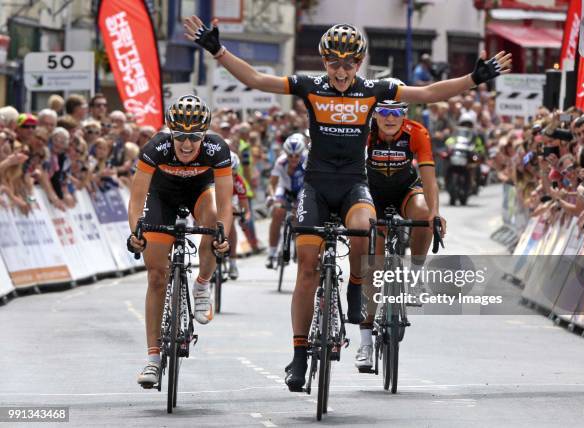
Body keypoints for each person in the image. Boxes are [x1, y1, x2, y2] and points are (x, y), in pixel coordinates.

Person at [183, 17, 511, 391]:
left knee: (364, 229)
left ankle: (356, 286)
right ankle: (299, 355)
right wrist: (217, 51)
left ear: (360, 62)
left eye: (348, 63)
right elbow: (257, 80)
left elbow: (429, 93)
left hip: (355, 185)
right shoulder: (310, 85)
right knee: (307, 269)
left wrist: (473, 79)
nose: (340, 71)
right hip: (316, 188)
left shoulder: (374, 89)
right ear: (324, 61)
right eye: (334, 63)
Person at [126, 95, 233, 388]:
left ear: (205, 134)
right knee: (156, 275)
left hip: (199, 193)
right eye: (181, 137)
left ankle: (202, 284)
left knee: (213, 223)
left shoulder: (217, 149)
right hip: (162, 197)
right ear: (170, 132)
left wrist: (223, 236)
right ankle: (153, 358)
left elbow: (225, 203)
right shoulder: (154, 148)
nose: (187, 145)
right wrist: (136, 232)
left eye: (195, 138)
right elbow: (136, 201)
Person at [355, 100, 446, 370]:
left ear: (404, 115)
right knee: (374, 268)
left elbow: (429, 177)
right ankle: (366, 343)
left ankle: (415, 273)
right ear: (375, 115)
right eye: (384, 112)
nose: (390, 118)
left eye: (397, 112)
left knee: (423, 215)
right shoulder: (365, 133)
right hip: (372, 194)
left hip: (406, 189)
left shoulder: (416, 132)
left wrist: (435, 213)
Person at [265, 133, 308, 269]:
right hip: (285, 189)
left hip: (302, 189)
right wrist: (272, 197)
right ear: (286, 153)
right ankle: (271, 253)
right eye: (290, 155)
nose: (293, 158)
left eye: (297, 155)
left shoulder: (307, 160)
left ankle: (296, 244)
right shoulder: (280, 162)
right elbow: (272, 184)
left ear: (302, 153)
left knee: (297, 215)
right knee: (277, 213)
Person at [228, 151, 251, 279]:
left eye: (233, 171)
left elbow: (246, 209)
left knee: (231, 220)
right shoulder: (211, 176)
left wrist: (244, 217)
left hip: (231, 201)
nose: (230, 174)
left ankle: (233, 263)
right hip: (214, 198)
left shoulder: (238, 181)